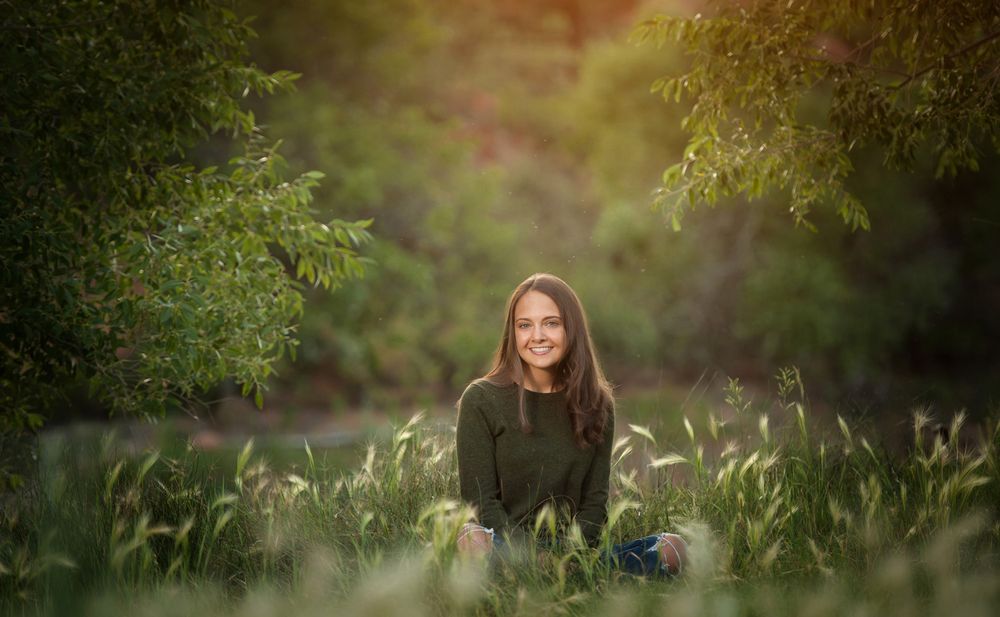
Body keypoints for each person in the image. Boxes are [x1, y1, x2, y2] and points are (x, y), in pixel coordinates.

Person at [455, 273, 687, 577]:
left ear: (571, 329)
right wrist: (529, 556)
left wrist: (566, 556)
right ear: (513, 334)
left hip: (572, 551)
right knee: (471, 538)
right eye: (525, 325)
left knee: (674, 548)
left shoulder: (596, 403)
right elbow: (481, 502)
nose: (537, 335)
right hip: (505, 545)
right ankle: (580, 578)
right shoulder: (482, 399)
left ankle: (573, 575)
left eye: (551, 323)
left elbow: (595, 503)